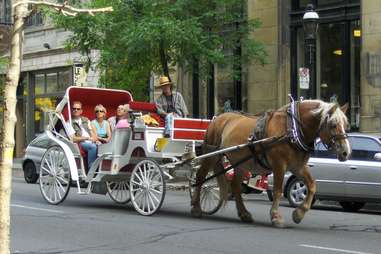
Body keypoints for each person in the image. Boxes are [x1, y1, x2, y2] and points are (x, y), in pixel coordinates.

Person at [66, 101, 97, 169]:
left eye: (78, 109)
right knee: (92, 147)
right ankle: (91, 169)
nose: (76, 110)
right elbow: (73, 138)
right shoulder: (69, 123)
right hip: (80, 143)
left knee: (103, 146)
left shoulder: (86, 120)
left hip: (90, 141)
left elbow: (92, 133)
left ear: (81, 111)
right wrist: (86, 138)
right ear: (71, 110)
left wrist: (94, 139)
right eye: (74, 108)